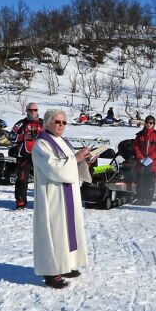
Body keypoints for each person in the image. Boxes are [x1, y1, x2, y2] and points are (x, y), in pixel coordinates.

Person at [32, 109, 91, 289]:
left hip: (68, 195)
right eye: (57, 122)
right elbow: (54, 168)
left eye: (64, 122)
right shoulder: (42, 144)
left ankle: (64, 265)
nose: (61, 125)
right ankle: (50, 272)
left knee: (67, 232)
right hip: (53, 196)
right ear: (47, 123)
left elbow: (71, 163)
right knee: (54, 233)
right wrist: (75, 159)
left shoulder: (64, 142)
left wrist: (84, 160)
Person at [10, 103, 44, 209]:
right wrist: (23, 136)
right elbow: (10, 137)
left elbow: (53, 136)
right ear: (27, 110)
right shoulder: (21, 123)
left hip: (41, 156)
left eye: (35, 110)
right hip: (24, 156)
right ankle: (20, 202)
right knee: (22, 179)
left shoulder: (44, 123)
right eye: (30, 110)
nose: (33, 112)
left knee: (44, 180)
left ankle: (44, 203)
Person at [132, 115, 156, 206]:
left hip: (152, 163)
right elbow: (135, 147)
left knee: (149, 181)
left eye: (150, 123)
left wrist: (150, 158)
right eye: (147, 122)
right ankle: (140, 198)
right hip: (141, 162)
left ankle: (148, 199)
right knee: (140, 180)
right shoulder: (139, 135)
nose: (148, 124)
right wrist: (141, 158)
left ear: (153, 124)